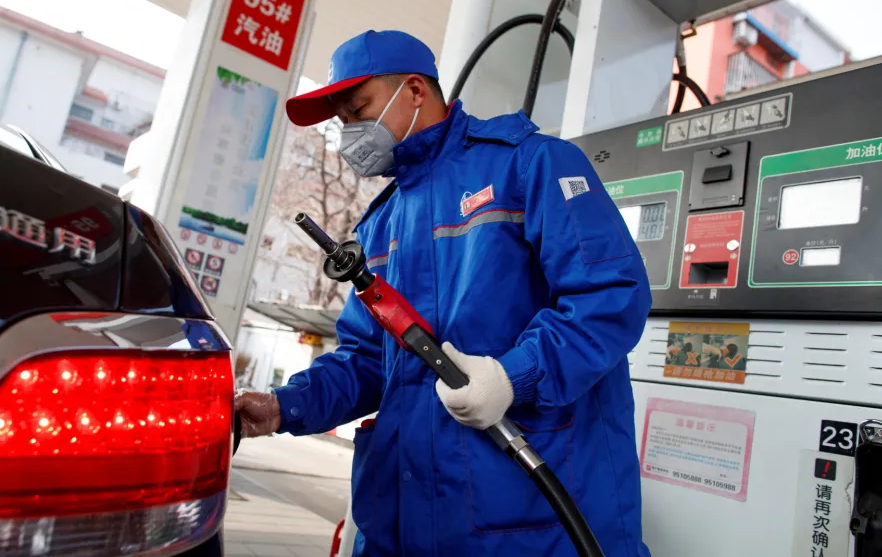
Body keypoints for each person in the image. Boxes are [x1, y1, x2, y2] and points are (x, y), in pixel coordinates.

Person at [235, 29, 653, 556]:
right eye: (343, 121)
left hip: (532, 519)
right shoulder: (381, 223)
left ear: (414, 90)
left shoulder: (530, 164)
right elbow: (367, 359)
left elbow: (609, 296)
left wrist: (512, 376)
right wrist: (284, 406)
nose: (350, 134)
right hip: (404, 520)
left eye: (359, 109)